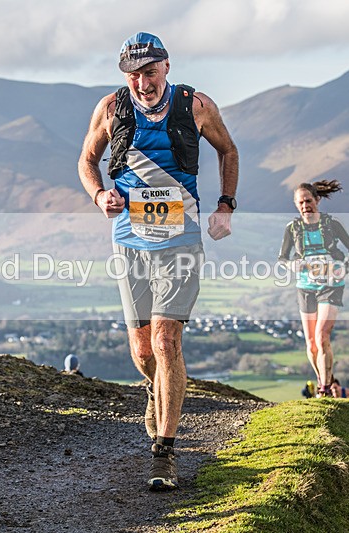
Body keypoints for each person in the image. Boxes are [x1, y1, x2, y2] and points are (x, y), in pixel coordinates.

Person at [78, 32, 238, 491]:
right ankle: (156, 389)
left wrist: (226, 204)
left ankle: (164, 453)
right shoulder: (110, 108)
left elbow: (228, 150)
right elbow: (87, 160)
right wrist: (98, 193)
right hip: (129, 239)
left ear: (166, 67)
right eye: (134, 75)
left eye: (150, 72)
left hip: (180, 238)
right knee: (144, 352)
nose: (142, 82)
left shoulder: (196, 106)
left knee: (167, 341)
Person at [277, 180, 349, 397]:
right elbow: (282, 258)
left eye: (309, 201)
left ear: (317, 200)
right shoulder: (292, 228)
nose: (305, 206)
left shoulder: (332, 224)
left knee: (322, 335)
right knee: (311, 343)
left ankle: (323, 389)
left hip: (331, 285)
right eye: (301, 202)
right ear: (296, 205)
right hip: (305, 287)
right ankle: (326, 380)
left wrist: (344, 268)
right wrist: (294, 265)